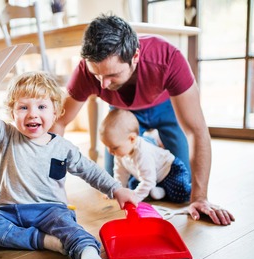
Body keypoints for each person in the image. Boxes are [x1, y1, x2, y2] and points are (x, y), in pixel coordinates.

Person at [50, 13, 235, 225]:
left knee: (181, 182)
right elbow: (59, 122)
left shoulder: (167, 58)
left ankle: (153, 144)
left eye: (112, 75)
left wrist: (200, 198)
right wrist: (52, 185)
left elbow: (196, 130)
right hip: (122, 114)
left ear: (135, 56)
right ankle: (149, 145)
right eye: (97, 75)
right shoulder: (86, 71)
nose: (102, 84)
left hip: (166, 107)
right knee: (119, 184)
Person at [0, 60, 137, 259]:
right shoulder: (7, 137)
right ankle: (45, 241)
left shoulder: (63, 147)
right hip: (8, 211)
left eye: (41, 106)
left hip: (50, 211)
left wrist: (115, 188)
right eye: (23, 107)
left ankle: (87, 253)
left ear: (56, 112)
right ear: (12, 113)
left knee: (70, 227)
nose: (32, 114)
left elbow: (90, 171)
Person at [100, 109, 191, 203]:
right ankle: (160, 190)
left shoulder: (142, 152)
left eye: (114, 147)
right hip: (152, 176)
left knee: (180, 193)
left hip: (170, 171)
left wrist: (135, 198)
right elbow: (120, 174)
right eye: (107, 146)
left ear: (132, 139)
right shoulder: (119, 153)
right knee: (132, 186)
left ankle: (161, 189)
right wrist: (117, 190)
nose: (110, 151)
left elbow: (148, 181)